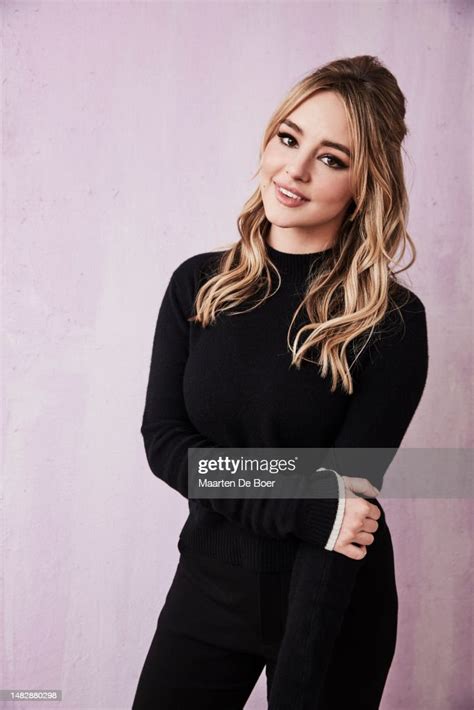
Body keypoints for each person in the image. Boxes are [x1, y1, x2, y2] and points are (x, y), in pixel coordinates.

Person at [132, 55, 429, 710]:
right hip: (208, 589)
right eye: (288, 138)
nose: (294, 170)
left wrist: (304, 660)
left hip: (332, 600)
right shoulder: (199, 286)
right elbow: (165, 444)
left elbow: (349, 504)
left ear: (364, 184)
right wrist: (303, 503)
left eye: (331, 157)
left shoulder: (392, 322)